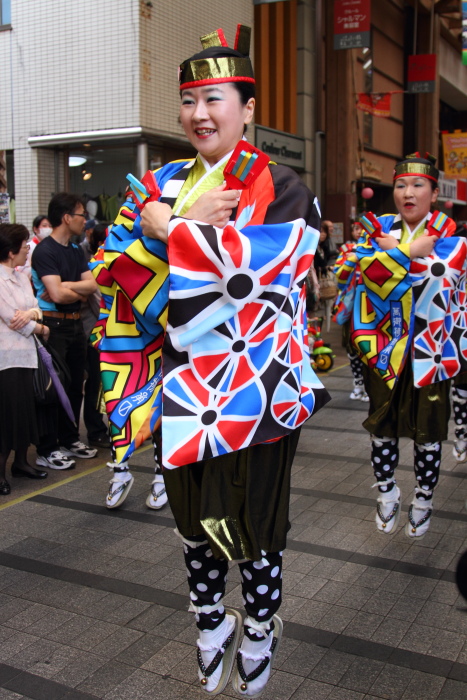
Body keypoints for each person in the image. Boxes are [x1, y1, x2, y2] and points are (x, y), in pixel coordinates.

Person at [93, 25, 329, 697]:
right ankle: (207, 619)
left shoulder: (280, 187)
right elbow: (110, 274)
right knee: (192, 521)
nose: (199, 113)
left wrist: (169, 230)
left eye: (215, 98)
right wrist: (164, 225)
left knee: (257, 520)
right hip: (179, 387)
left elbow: (260, 282)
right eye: (189, 98)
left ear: (248, 109)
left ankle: (258, 622)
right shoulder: (157, 182)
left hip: (254, 391)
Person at [352, 153, 460, 539]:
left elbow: (446, 284)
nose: (408, 193)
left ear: (434, 192)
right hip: (383, 348)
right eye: (400, 185)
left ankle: (424, 499)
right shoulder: (374, 229)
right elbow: (355, 269)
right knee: (381, 425)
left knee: (429, 430)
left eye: (418, 186)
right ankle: (387, 491)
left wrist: (389, 256)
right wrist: (409, 253)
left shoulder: (452, 236)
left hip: (431, 350)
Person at [31, 193, 99, 470]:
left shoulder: (75, 250)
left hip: (75, 324)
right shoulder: (45, 251)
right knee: (52, 386)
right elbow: (57, 295)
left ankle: (69, 438)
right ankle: (46, 447)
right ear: (67, 218)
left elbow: (91, 286)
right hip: (52, 326)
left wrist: (67, 288)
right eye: (81, 214)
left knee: (74, 385)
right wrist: (71, 290)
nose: (85, 220)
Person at [0, 224, 49, 493]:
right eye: (24, 247)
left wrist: (32, 315)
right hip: (7, 358)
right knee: (8, 415)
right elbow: (12, 318)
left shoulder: (19, 275)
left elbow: (34, 308)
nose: (27, 250)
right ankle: (1, 472)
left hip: (26, 354)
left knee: (25, 412)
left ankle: (21, 462)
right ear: (10, 252)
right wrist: (40, 326)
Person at [80, 223, 110, 448]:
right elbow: (99, 301)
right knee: (95, 385)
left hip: (116, 331)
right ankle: (95, 429)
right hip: (98, 333)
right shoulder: (95, 265)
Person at [333, 220, 368, 401]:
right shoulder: (347, 250)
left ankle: (369, 386)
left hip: (370, 308)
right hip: (350, 306)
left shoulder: (377, 248)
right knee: (351, 348)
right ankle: (358, 383)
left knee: (369, 348)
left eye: (362, 229)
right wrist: (352, 260)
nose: (358, 232)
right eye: (355, 228)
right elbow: (339, 276)